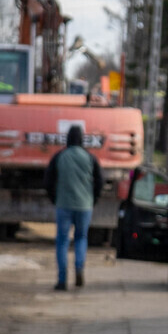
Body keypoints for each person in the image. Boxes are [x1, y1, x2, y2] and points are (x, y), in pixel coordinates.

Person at [42, 124, 102, 290]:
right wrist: (92, 200)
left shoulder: (60, 156)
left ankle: (62, 280)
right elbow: (99, 181)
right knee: (81, 238)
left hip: (63, 205)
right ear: (82, 139)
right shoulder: (90, 158)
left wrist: (55, 199)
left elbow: (48, 181)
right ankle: (79, 268)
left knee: (62, 241)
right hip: (85, 206)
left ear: (67, 139)